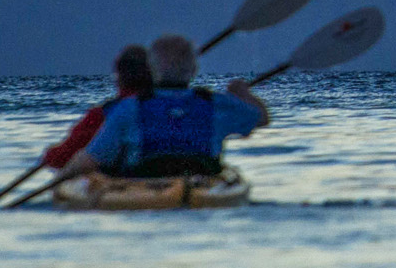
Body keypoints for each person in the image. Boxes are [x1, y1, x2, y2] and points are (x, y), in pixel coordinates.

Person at [64, 33, 270, 180]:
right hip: (202, 179)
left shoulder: (129, 108)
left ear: (152, 69)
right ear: (194, 69)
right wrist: (242, 92)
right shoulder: (216, 103)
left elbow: (90, 160)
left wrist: (66, 178)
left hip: (142, 184)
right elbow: (261, 117)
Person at [40, 44, 153, 172]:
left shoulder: (104, 114)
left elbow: (61, 158)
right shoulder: (166, 110)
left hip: (117, 181)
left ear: (119, 77)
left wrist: (49, 156)